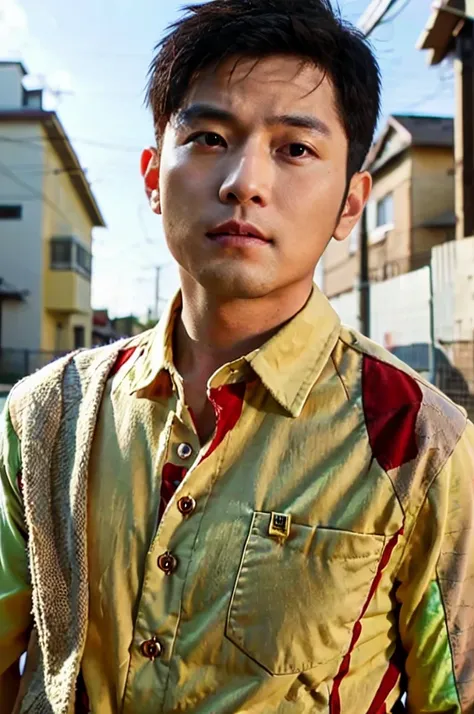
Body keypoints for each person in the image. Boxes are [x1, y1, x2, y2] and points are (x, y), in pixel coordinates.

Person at [1, 0, 473, 711]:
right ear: (154, 177)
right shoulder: (45, 415)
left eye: (296, 149)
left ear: (351, 205)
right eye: (211, 136)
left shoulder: (418, 440)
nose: (244, 182)